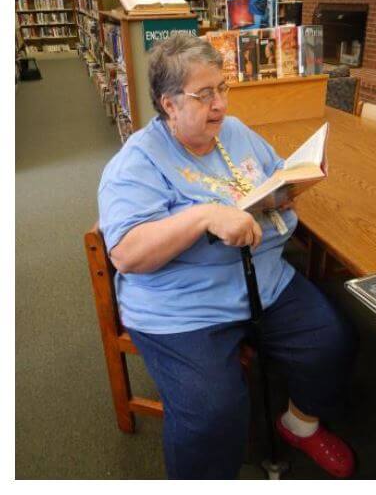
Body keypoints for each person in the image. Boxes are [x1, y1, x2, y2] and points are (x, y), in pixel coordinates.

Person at [98, 34, 357, 479]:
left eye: (222, 88)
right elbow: (126, 253)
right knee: (212, 413)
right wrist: (203, 217)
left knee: (332, 343)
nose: (220, 104)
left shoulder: (232, 133)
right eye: (204, 95)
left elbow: (274, 174)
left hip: (264, 279)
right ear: (169, 104)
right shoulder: (136, 162)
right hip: (183, 304)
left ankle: (299, 423)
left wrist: (291, 185)